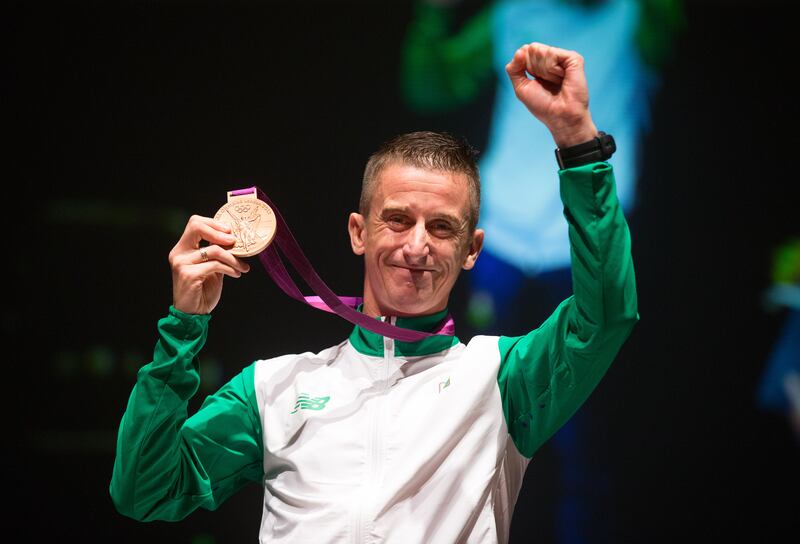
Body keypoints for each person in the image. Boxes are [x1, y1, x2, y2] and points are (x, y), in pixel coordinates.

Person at [109, 42, 638, 543]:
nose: (417, 245)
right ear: (359, 232)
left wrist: (578, 142)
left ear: (472, 248)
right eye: (398, 220)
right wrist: (184, 326)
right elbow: (144, 492)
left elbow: (606, 315)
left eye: (442, 227)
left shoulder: (502, 380)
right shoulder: (273, 388)